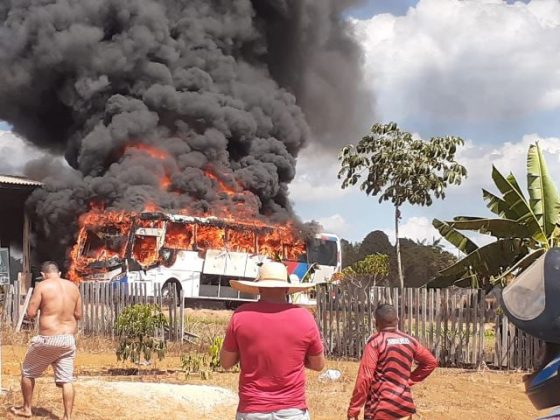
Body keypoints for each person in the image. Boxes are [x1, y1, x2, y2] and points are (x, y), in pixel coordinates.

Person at [220, 261, 325, 420]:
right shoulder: (305, 317)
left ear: (259, 288)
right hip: (292, 410)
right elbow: (318, 365)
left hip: (252, 409)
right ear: (287, 288)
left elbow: (226, 362)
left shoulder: (241, 316)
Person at [10, 261, 82, 420]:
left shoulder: (42, 286)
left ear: (43, 275)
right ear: (59, 273)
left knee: (27, 372)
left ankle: (27, 409)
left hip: (48, 338)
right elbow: (78, 315)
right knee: (66, 380)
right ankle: (67, 417)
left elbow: (31, 313)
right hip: (68, 340)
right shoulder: (73, 287)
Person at [347, 304, 437, 420]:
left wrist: (354, 409)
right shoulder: (410, 341)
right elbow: (431, 362)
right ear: (397, 320)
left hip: (379, 410)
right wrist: (408, 380)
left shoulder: (375, 343)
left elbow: (365, 377)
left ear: (376, 323)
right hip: (403, 410)